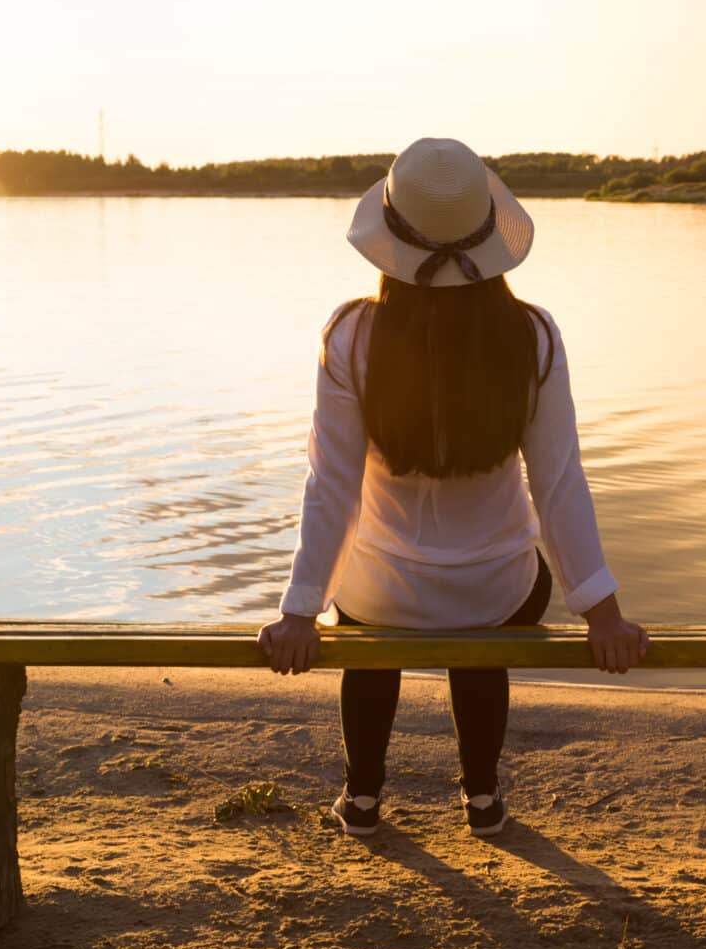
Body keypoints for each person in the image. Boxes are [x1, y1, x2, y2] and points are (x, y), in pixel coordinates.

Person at [258, 137, 649, 839]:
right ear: (487, 230)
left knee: (365, 598)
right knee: (496, 606)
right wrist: (602, 611)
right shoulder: (532, 336)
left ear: (387, 242)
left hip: (381, 590)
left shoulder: (350, 336)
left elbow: (332, 485)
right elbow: (559, 484)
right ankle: (483, 798)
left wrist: (300, 609)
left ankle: (365, 797)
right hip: (495, 588)